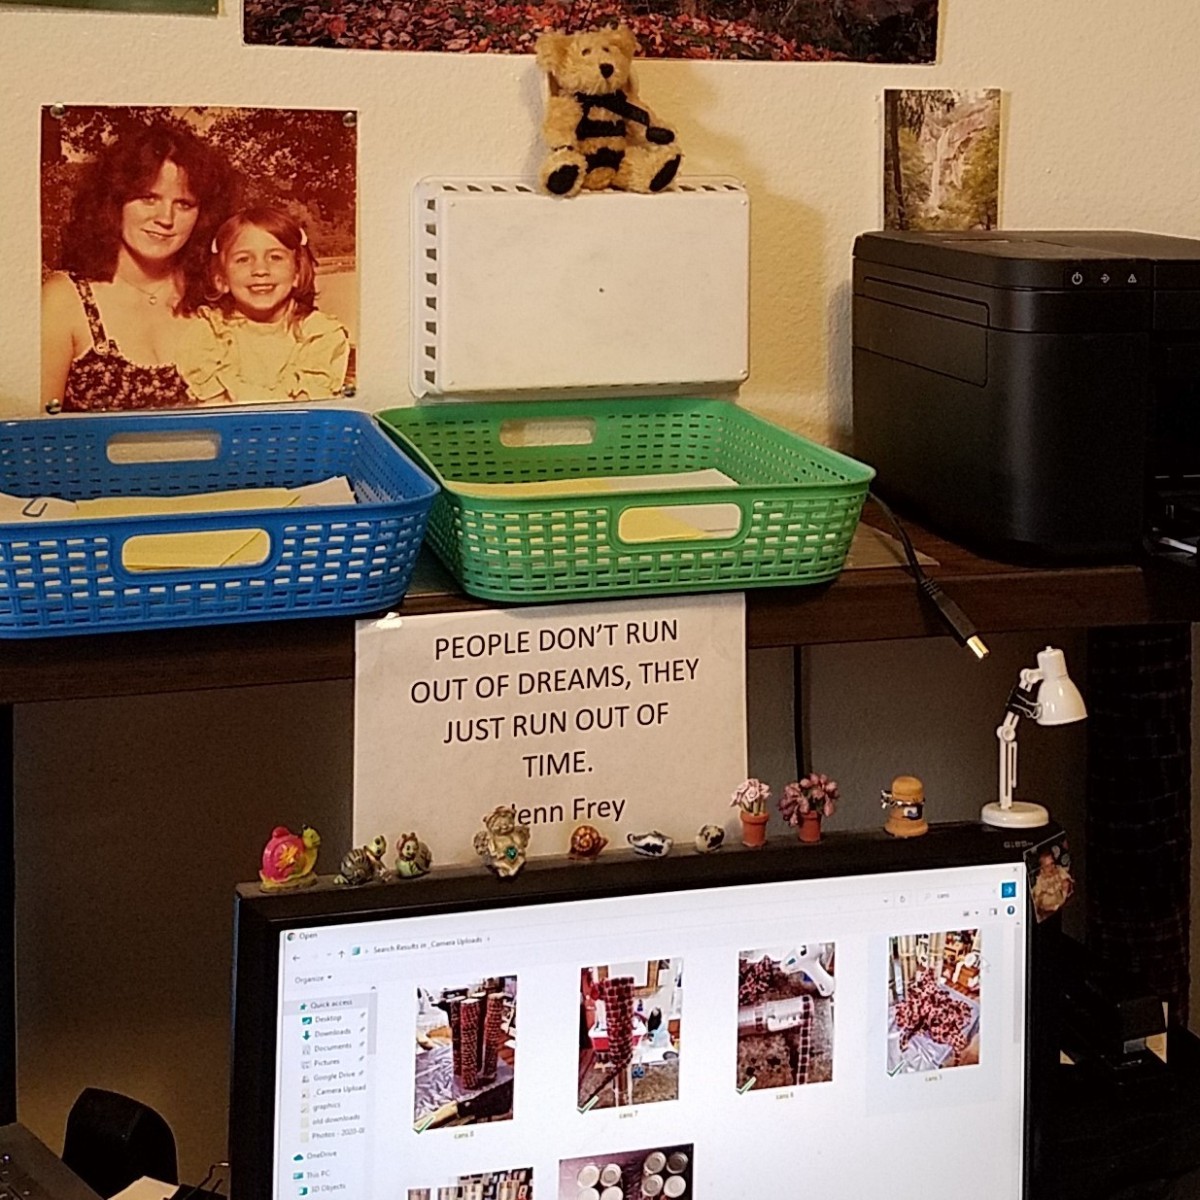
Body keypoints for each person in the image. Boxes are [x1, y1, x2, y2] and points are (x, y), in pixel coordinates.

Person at [41, 121, 237, 412]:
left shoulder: (214, 295)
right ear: (113, 201)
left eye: (184, 204)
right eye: (149, 198)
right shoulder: (64, 299)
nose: (165, 218)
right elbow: (33, 431)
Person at [177, 205, 350, 405]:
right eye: (243, 259)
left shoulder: (320, 334)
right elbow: (216, 408)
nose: (260, 270)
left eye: (275, 257)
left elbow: (303, 410)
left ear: (297, 273)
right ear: (221, 279)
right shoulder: (210, 334)